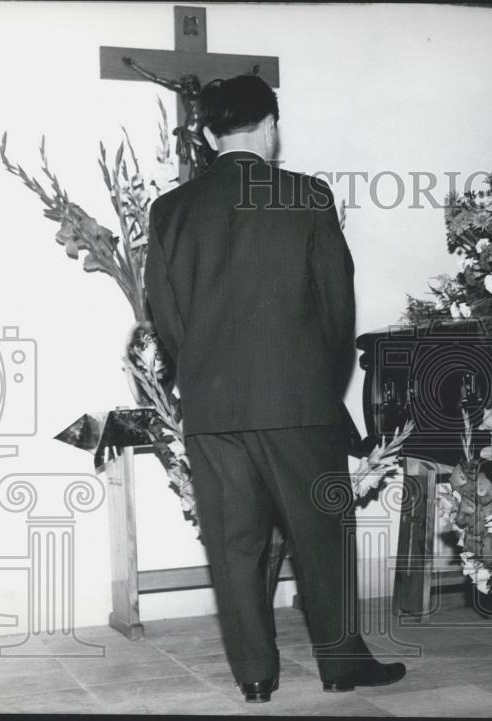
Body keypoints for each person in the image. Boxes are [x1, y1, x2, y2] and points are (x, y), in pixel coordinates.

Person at [143, 74, 405, 703]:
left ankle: (255, 676)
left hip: (211, 407)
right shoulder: (307, 197)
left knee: (235, 546)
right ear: (270, 127)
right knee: (320, 534)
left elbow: (167, 318)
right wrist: (317, 378)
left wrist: (204, 371)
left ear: (206, 135)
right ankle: (342, 664)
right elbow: (337, 310)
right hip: (296, 401)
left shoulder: (170, 210)